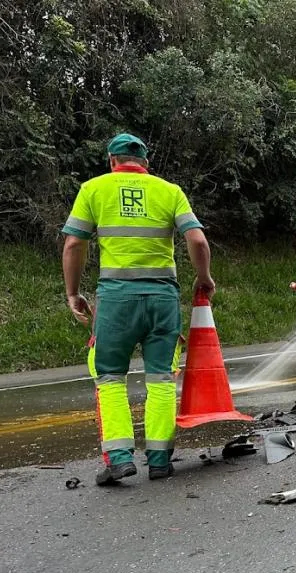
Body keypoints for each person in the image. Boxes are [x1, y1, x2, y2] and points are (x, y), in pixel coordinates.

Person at [61, 133, 214, 486]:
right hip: (163, 300)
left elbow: (73, 244)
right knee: (161, 379)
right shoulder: (169, 191)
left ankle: (119, 460)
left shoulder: (93, 189)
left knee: (110, 378)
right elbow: (197, 240)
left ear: (112, 160)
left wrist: (73, 292)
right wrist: (203, 277)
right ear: (145, 162)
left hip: (116, 301)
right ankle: (159, 461)